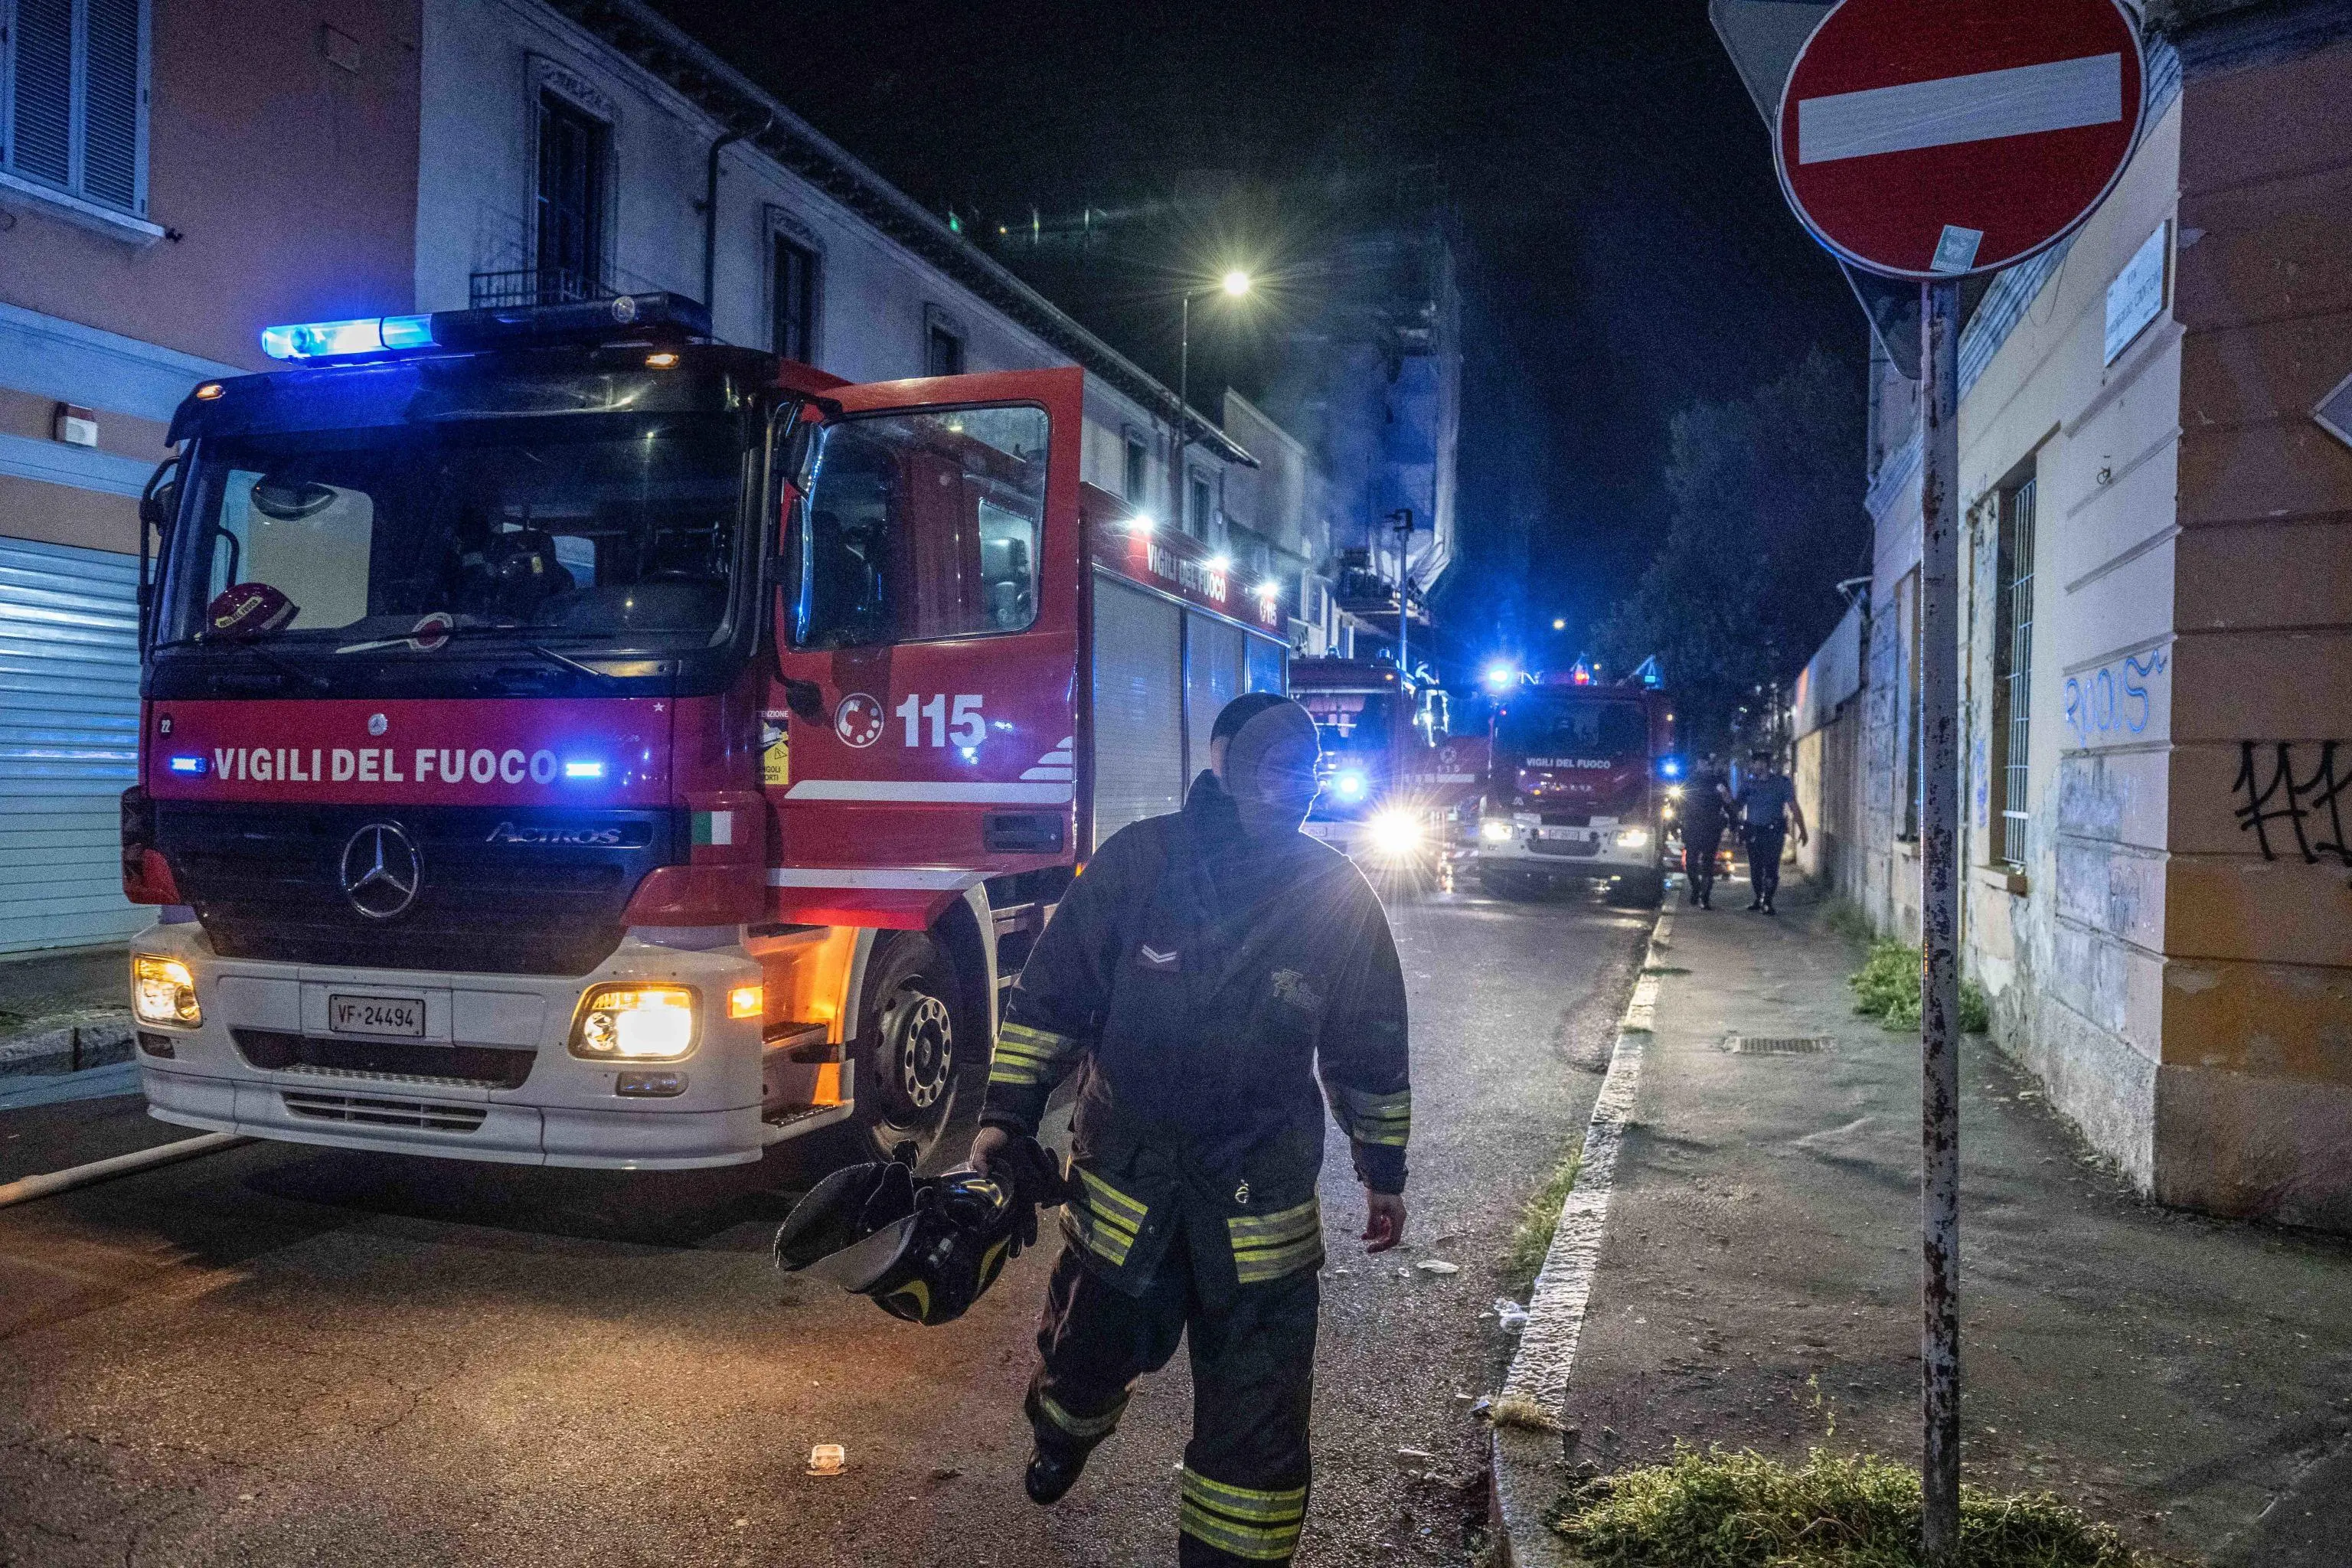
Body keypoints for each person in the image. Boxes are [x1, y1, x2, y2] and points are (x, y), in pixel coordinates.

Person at [971, 691, 1411, 1566]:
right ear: (1223, 763)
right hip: (1130, 1191)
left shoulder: (1336, 891)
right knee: (1085, 1362)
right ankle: (1059, 1434)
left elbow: (1369, 1040)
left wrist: (1382, 1165)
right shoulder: (1139, 865)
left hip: (1262, 1212)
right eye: (1276, 764)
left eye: (1307, 767)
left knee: (1259, 1427)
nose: (1295, 784)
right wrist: (1003, 1120)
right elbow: (1049, 1004)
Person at [1734, 748, 1808, 914]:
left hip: (1773, 832)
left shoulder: (1781, 783)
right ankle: (1759, 897)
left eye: (1756, 762)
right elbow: (1737, 806)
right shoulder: (1748, 784)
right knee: (1755, 868)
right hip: (1753, 831)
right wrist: (1727, 799)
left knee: (1771, 867)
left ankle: (1767, 901)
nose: (1753, 766)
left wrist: (1802, 829)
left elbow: (1793, 806)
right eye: (1753, 762)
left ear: (1764, 764)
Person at [1677, 753, 1734, 909]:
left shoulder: (1719, 782)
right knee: (1691, 862)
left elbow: (1729, 804)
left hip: (1711, 827)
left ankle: (1705, 896)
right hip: (1693, 826)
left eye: (1709, 764)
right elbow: (1679, 802)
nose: (1706, 766)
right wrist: (1675, 822)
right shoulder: (1690, 781)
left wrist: (1734, 824)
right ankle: (1696, 888)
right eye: (1704, 763)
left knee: (1708, 864)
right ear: (1698, 764)